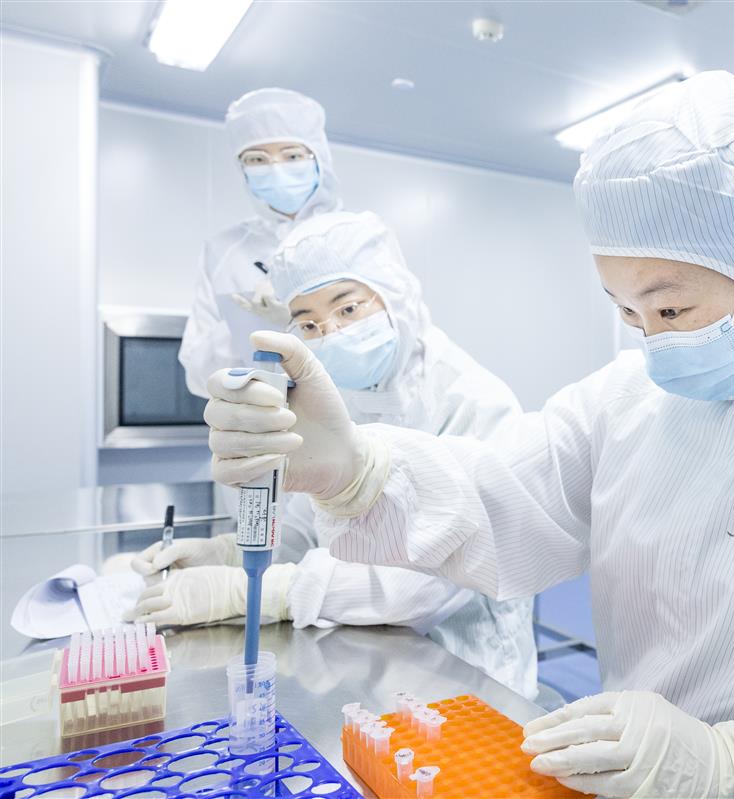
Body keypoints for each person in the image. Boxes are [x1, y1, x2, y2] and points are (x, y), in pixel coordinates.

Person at [202, 72, 734, 797]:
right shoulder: (626, 401)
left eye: (671, 307)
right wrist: (359, 472)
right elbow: (504, 499)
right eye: (626, 311)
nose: (653, 340)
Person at [132, 211, 538, 701]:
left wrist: (260, 592)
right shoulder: (342, 395)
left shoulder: (471, 401)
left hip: (470, 674)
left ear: (393, 293)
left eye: (347, 308)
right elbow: (313, 525)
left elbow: (429, 584)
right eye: (308, 322)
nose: (332, 332)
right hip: (375, 664)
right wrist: (232, 553)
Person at [179, 88, 342, 398]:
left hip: (348, 417)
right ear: (242, 169)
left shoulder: (354, 236)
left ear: (319, 158)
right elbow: (198, 375)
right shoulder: (223, 250)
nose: (276, 169)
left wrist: (301, 323)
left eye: (292, 155)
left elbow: (390, 354)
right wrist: (248, 325)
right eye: (257, 159)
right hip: (256, 418)